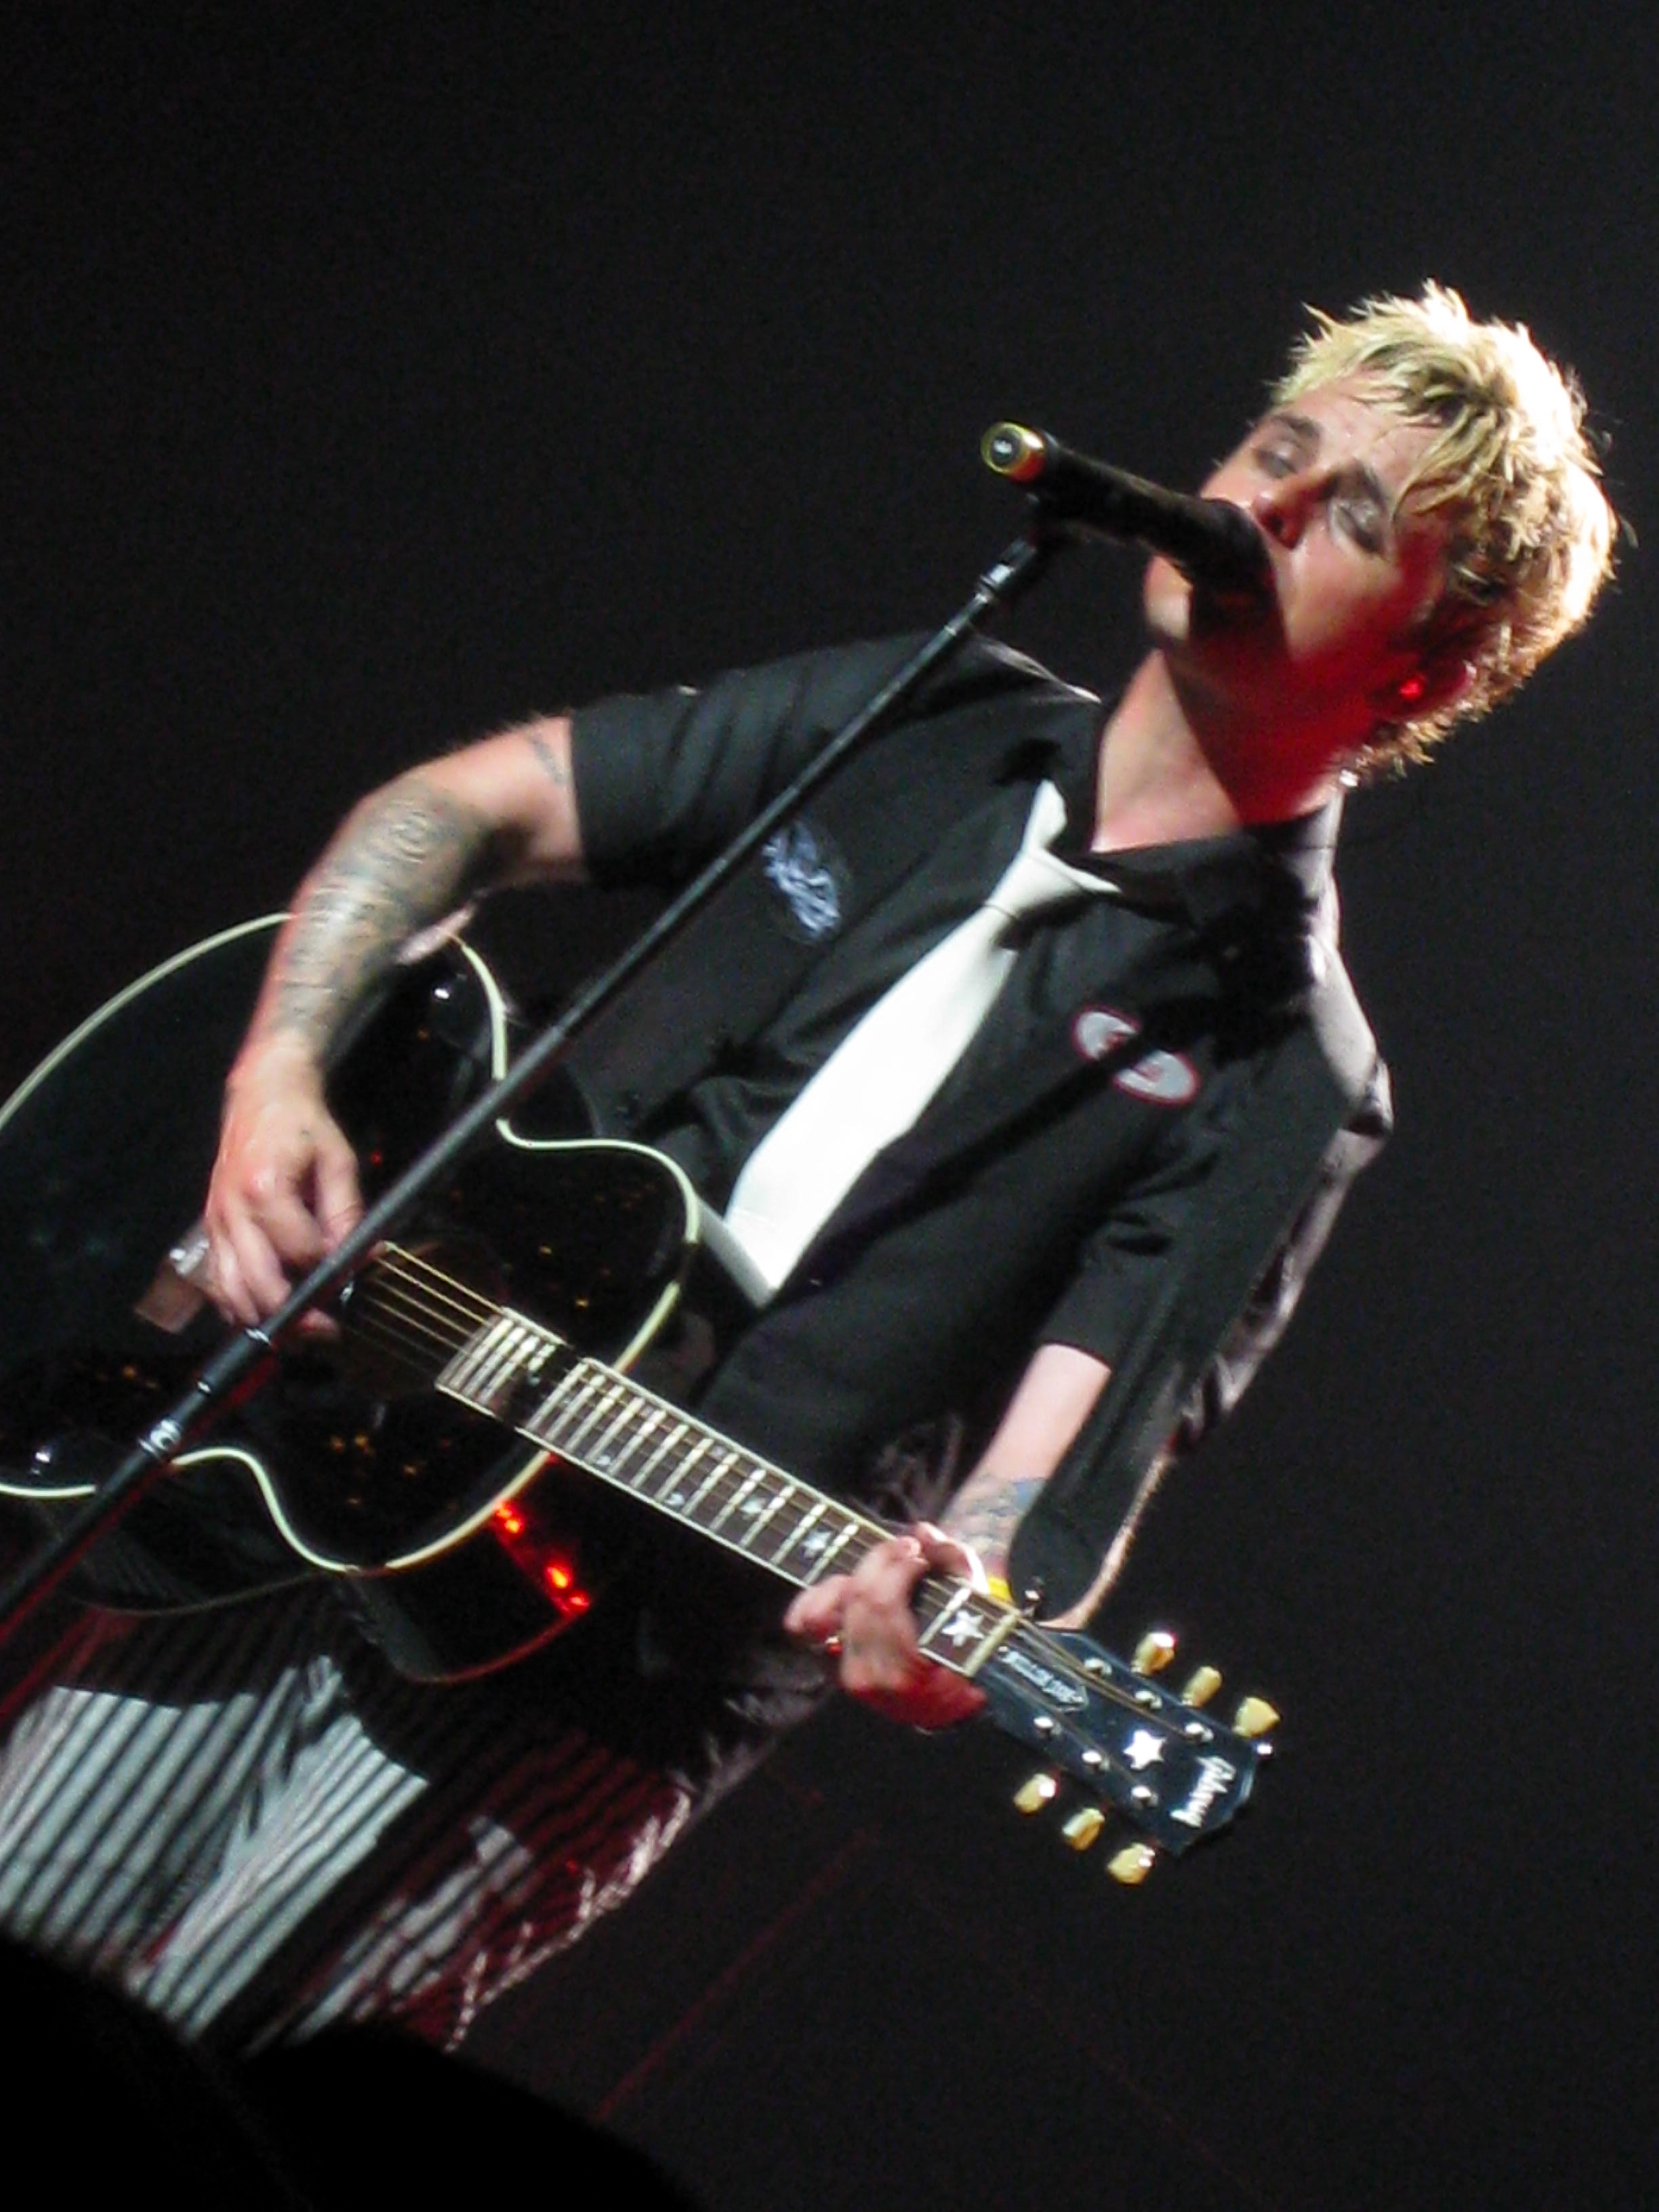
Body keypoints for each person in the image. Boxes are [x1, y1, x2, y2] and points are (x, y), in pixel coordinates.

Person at [0, 285, 1615, 2046]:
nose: (1269, 510)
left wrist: (954, 1609)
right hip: (310, 1457)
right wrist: (278, 1088)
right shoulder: (925, 723)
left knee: (225, 2079)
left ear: (1433, 668)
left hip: (601, 1682)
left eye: (1354, 516)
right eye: (1276, 454)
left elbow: (1045, 1495)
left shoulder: (1289, 1068)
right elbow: (444, 815)